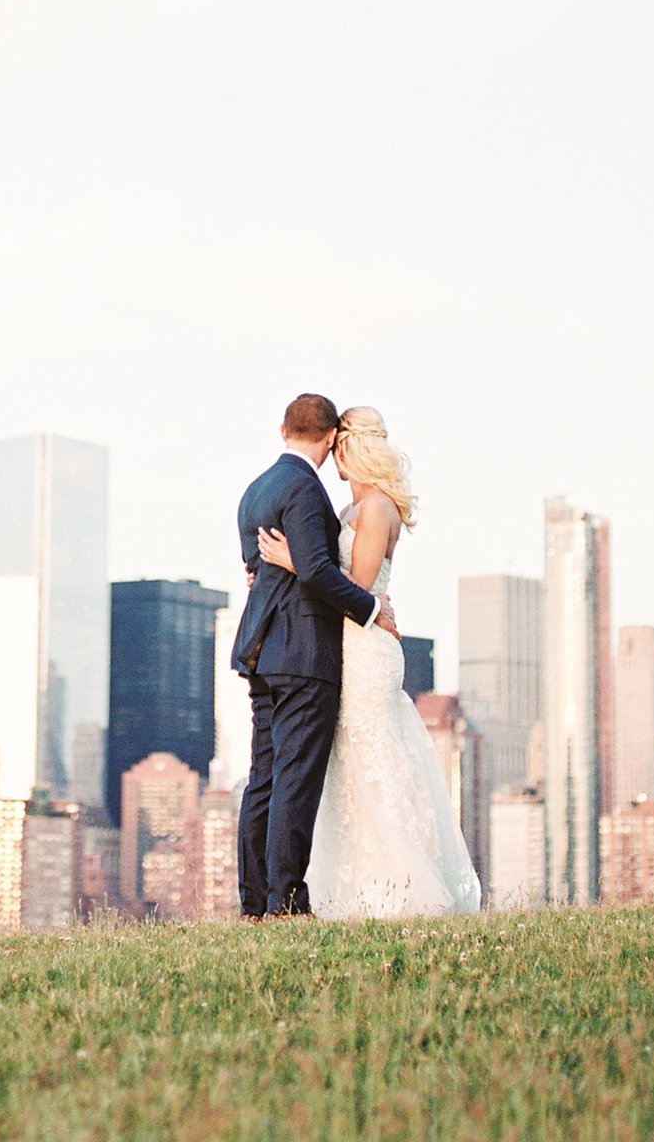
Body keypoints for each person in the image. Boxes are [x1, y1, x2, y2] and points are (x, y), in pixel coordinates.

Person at [255, 404, 482, 918]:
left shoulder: (378, 507)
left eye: (338, 445)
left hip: (367, 650)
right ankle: (357, 891)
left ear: (352, 446)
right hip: (344, 645)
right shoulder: (347, 511)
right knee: (347, 765)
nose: (332, 454)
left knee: (376, 757)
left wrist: (295, 562)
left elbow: (356, 588)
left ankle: (403, 886)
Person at [229, 392, 398, 917]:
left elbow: (255, 571)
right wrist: (372, 608)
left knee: (264, 779)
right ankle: (285, 899)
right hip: (303, 655)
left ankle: (254, 902)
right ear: (329, 440)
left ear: (283, 430)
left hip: (261, 652)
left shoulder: (254, 491)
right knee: (295, 781)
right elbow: (320, 573)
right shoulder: (306, 491)